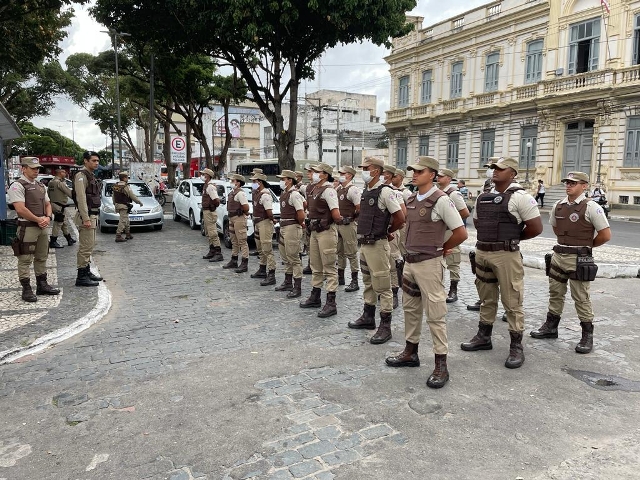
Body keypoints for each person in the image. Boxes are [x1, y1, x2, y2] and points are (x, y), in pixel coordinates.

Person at [385, 156, 467, 388]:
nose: (415, 174)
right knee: (410, 309)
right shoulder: (411, 199)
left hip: (430, 263)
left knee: (435, 314)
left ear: (432, 174)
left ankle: (441, 363)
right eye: (413, 170)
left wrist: (444, 249)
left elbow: (461, 232)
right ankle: (410, 352)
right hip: (410, 263)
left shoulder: (441, 200)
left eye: (420, 171)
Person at [461, 157, 542, 369]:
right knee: (486, 297)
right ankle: (483, 336)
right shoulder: (484, 196)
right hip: (483, 251)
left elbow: (535, 227)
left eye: (500, 168)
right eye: (493, 168)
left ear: (512, 173)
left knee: (512, 300)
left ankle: (516, 346)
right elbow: (478, 221)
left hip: (506, 255)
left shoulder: (521, 197)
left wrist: (512, 238)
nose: (494, 171)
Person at [530, 171, 611, 354]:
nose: (568, 185)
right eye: (567, 182)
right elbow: (556, 228)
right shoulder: (558, 205)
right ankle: (551, 326)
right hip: (559, 255)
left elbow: (605, 235)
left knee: (581, 297)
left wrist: (585, 247)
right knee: (555, 293)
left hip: (579, 259)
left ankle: (587, 335)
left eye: (573, 183)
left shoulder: (592, 207)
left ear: (584, 186)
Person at [347, 157, 404, 344]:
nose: (363, 170)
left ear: (376, 171)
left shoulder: (385, 192)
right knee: (368, 281)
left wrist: (387, 231)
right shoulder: (366, 191)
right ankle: (368, 316)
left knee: (383, 285)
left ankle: (385, 326)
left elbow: (400, 217)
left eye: (366, 168)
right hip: (364, 244)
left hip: (377, 244)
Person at [7, 157, 60, 302]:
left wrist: (48, 218)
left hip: (42, 226)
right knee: (25, 259)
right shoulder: (17, 186)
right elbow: (20, 209)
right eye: (33, 168)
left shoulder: (41, 186)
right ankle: (26, 289)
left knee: (42, 256)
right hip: (28, 226)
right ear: (23, 168)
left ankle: (42, 285)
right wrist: (39, 220)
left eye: (38, 168)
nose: (36, 171)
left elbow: (48, 204)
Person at [299, 162, 343, 317]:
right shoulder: (313, 188)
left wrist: (330, 221)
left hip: (325, 231)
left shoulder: (329, 191)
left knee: (329, 267)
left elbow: (336, 214)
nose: (313, 173)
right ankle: (315, 296)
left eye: (317, 171)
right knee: (316, 266)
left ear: (325, 174)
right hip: (315, 231)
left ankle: (331, 303)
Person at [436, 168, 469, 303]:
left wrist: (450, 221)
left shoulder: (454, 194)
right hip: (439, 231)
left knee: (453, 260)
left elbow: (465, 212)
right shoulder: (437, 192)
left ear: (449, 178)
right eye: (438, 176)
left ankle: (453, 290)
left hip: (450, 231)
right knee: (438, 259)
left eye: (441, 176)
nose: (438, 178)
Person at [72, 151, 104, 287]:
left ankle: (87, 271)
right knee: (85, 247)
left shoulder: (91, 175)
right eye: (93, 160)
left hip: (93, 215)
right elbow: (81, 198)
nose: (96, 163)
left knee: (89, 246)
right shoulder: (81, 175)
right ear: (85, 161)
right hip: (87, 216)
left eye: (97, 161)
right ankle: (81, 277)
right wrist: (85, 218)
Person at [274, 170, 306, 297]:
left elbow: (301, 212)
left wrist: (299, 223)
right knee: (285, 256)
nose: (281, 181)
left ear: (290, 180)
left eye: (283, 179)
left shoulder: (294, 194)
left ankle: (297, 286)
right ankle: (288, 282)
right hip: (284, 226)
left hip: (292, 227)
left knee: (293, 257)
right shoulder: (285, 193)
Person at [382, 164, 406, 309]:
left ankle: (394, 291)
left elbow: (403, 214)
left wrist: (391, 228)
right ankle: (382, 290)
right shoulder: (374, 190)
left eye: (383, 173)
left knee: (392, 261)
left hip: (391, 231)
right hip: (378, 232)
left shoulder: (396, 193)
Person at [336, 166, 361, 292]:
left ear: (349, 175)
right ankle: (340, 277)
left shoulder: (353, 190)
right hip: (339, 224)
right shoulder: (339, 189)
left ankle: (355, 280)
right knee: (339, 251)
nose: (340, 175)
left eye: (343, 173)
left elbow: (359, 207)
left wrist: (351, 217)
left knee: (351, 252)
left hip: (348, 224)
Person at [250, 172, 277, 286]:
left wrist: (272, 219)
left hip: (264, 223)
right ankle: (262, 269)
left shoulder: (265, 195)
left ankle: (271, 273)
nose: (253, 183)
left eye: (254, 181)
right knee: (260, 248)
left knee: (267, 248)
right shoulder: (257, 193)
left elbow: (269, 212)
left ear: (260, 182)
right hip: (258, 223)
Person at [222, 174, 251, 273]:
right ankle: (234, 260)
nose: (231, 182)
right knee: (234, 240)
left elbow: (246, 207)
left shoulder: (240, 194)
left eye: (233, 180)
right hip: (232, 218)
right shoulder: (232, 193)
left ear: (238, 183)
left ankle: (244, 263)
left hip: (239, 218)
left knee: (242, 241)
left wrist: (243, 213)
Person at [47, 168, 76, 248]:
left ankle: (69, 239)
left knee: (64, 222)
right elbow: (69, 193)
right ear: (60, 173)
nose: (65, 173)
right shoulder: (59, 183)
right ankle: (53, 241)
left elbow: (48, 193)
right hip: (59, 206)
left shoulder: (51, 182)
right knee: (58, 223)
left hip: (53, 204)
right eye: (64, 172)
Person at [112, 172, 144, 243]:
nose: (128, 179)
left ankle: (128, 233)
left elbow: (113, 196)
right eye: (127, 177)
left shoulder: (116, 185)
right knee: (123, 220)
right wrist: (139, 202)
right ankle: (118, 235)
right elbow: (132, 196)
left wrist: (115, 204)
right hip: (124, 205)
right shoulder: (126, 186)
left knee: (126, 219)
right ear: (124, 178)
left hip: (118, 204)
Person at [200, 168, 224, 262]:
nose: (202, 175)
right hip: (206, 211)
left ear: (208, 176)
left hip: (210, 212)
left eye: (204, 174)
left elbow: (216, 200)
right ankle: (212, 250)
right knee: (209, 233)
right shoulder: (206, 186)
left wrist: (212, 207)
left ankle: (218, 253)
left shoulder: (210, 187)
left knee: (213, 232)